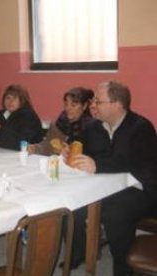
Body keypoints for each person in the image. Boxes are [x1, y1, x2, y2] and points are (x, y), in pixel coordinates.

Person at [65, 81, 157, 276]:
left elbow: (134, 163)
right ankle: (79, 251)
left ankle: (123, 270)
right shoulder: (94, 127)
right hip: (107, 186)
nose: (93, 105)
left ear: (117, 104)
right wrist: (70, 151)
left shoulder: (141, 128)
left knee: (115, 209)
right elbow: (79, 145)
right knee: (74, 200)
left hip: (143, 191)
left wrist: (97, 165)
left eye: (98, 101)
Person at [28, 87, 94, 155]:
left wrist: (68, 152)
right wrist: (36, 148)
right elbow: (49, 144)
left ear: (84, 106)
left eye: (73, 105)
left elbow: (90, 155)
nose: (68, 108)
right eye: (66, 104)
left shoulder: (91, 126)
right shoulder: (63, 119)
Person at [0, 85, 44, 150]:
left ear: (22, 100)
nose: (11, 101)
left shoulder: (29, 117)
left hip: (28, 157)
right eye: (8, 97)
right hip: (2, 155)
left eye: (14, 98)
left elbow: (23, 144)